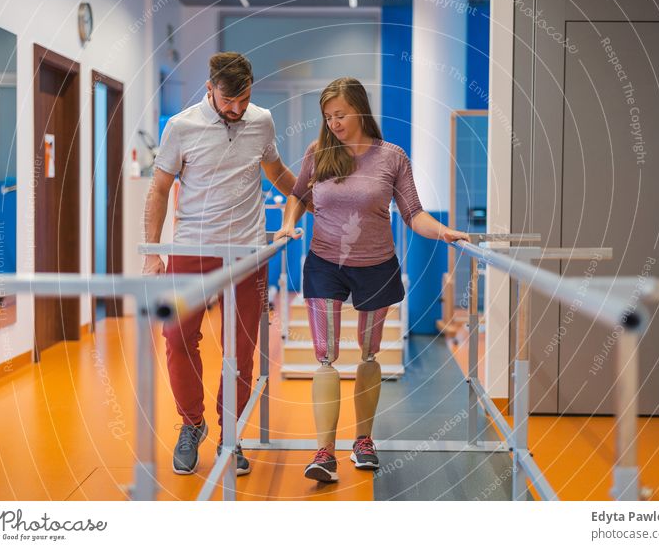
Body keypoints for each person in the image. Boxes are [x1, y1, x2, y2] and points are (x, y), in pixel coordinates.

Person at [275, 77, 469, 482]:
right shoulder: (319, 153)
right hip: (325, 262)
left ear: (360, 110)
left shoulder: (392, 157)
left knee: (368, 354)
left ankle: (363, 440)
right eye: (328, 117)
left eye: (341, 114)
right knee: (325, 356)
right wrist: (286, 225)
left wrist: (446, 232)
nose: (334, 123)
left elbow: (414, 214)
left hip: (377, 265)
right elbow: (296, 194)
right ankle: (324, 451)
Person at [143, 52, 299, 476]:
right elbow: (158, 190)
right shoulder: (181, 127)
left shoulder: (261, 121)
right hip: (190, 250)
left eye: (243, 100)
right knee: (177, 338)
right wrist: (153, 252)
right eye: (228, 101)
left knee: (241, 351)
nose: (236, 109)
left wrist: (313, 199)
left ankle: (232, 433)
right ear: (210, 89)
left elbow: (278, 172)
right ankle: (192, 424)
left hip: (246, 251)